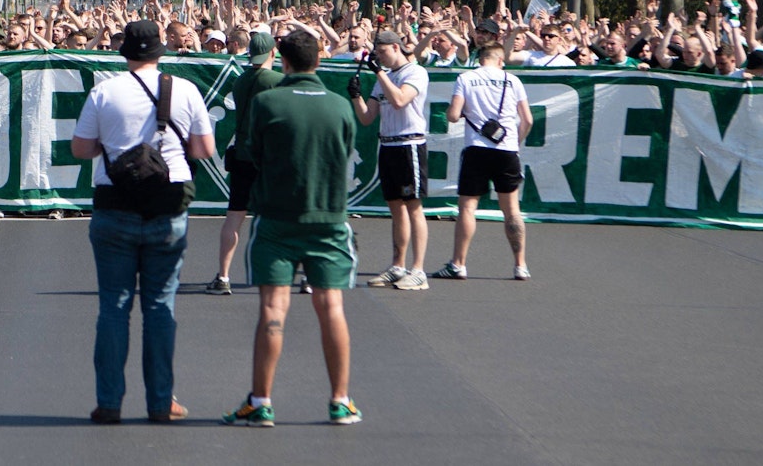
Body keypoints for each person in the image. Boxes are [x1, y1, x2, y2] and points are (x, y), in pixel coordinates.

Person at [70, 19, 214, 424]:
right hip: (167, 206)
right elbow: (204, 149)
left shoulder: (104, 92)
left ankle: (110, 401)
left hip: (114, 204)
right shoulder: (183, 90)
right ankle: (161, 400)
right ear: (161, 51)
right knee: (159, 306)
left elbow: (80, 148)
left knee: (113, 307)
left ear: (125, 52)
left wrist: (111, 145)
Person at [222, 30, 362, 428]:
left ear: (282, 60)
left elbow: (254, 152)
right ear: (318, 60)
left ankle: (260, 401)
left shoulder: (267, 102)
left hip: (278, 217)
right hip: (330, 219)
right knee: (331, 306)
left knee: (272, 308)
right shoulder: (339, 106)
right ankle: (340, 400)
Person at [350, 30, 433, 290]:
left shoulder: (415, 72)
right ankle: (398, 265)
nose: (380, 58)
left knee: (413, 206)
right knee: (396, 208)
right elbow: (366, 117)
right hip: (387, 144)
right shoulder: (382, 78)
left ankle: (418, 269)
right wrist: (355, 96)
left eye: (383, 52)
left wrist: (379, 73)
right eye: (378, 53)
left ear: (396, 48)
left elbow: (399, 100)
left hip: (409, 145)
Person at [443, 42, 533, 281]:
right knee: (512, 209)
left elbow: (453, 116)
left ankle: (458, 264)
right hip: (507, 150)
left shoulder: (466, 78)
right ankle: (520, 265)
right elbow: (528, 120)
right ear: (500, 60)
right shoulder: (513, 81)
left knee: (468, 208)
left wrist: (461, 112)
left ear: (480, 58)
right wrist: (516, 143)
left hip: (477, 149)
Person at [208, 29, 283, 295]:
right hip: (269, 157)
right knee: (282, 218)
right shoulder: (278, 80)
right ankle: (291, 275)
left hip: (241, 154)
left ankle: (223, 276)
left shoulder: (240, 80)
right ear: (272, 52)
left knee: (234, 217)